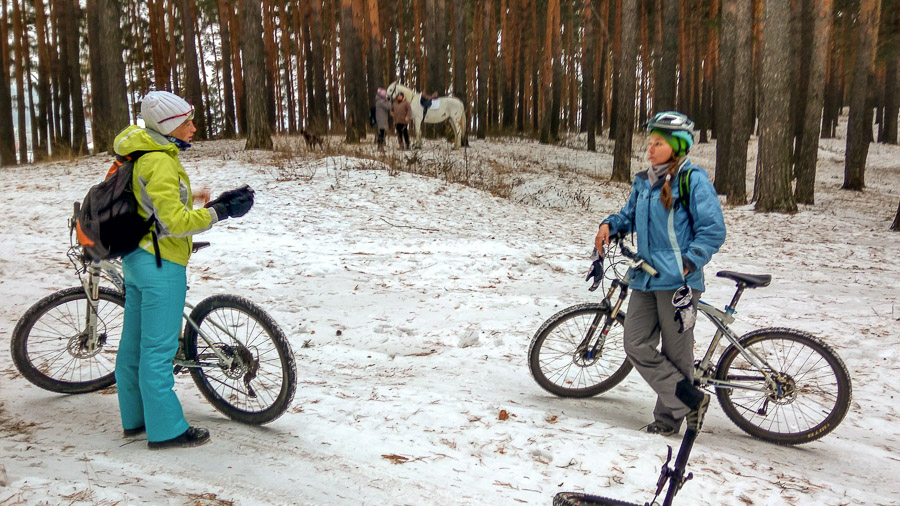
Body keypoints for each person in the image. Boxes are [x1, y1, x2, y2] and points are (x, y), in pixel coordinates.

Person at [114, 90, 255, 450]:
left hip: (137, 259)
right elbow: (174, 222)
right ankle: (166, 430)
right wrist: (222, 213)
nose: (194, 127)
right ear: (168, 127)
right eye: (186, 122)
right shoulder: (159, 161)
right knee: (158, 351)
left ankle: (136, 420)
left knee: (133, 347)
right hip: (161, 264)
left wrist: (200, 200)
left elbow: (150, 203)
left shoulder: (139, 151)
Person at [595, 111, 726, 437]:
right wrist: (610, 224)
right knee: (636, 343)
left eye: (657, 143)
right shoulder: (644, 182)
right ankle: (691, 400)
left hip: (679, 283)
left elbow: (712, 230)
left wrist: (690, 261)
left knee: (676, 352)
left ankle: (668, 419)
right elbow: (628, 216)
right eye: (649, 142)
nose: (649, 149)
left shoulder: (693, 180)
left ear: (677, 146)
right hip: (645, 277)